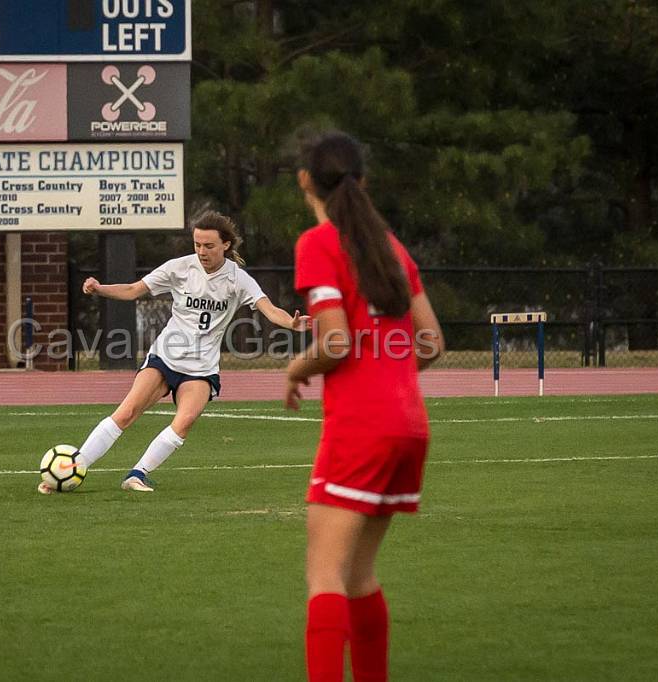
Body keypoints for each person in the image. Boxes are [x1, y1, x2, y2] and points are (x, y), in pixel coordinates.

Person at [284, 131, 444, 681]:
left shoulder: (319, 243)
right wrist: (390, 376)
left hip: (362, 428)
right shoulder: (391, 246)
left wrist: (294, 370)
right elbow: (432, 341)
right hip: (409, 424)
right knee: (359, 577)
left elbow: (333, 343)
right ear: (364, 181)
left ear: (305, 180)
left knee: (324, 576)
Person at [43, 210, 309, 493]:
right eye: (197, 244)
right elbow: (134, 290)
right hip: (165, 358)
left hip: (201, 369)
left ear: (226, 246)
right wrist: (99, 288)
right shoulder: (179, 268)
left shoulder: (237, 279)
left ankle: (137, 474)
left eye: (209, 245)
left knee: (184, 422)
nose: (202, 251)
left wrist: (291, 323)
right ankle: (71, 469)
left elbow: (269, 309)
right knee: (126, 412)